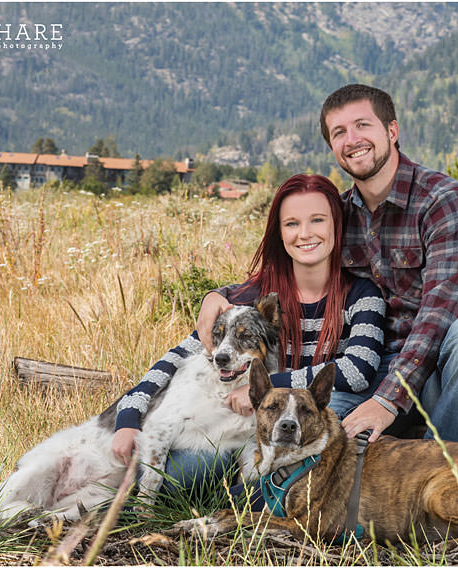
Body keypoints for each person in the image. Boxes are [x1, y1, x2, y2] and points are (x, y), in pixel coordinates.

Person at [199, 84, 458, 448]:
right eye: (339, 133)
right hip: (377, 370)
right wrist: (218, 295)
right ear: (333, 147)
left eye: (363, 125)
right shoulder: (339, 216)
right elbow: (290, 272)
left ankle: (445, 482)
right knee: (301, 427)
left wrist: (386, 402)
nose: (352, 140)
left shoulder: (443, 202)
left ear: (392, 131)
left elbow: (437, 319)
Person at [111, 174, 385, 492]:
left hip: (290, 426)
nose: (305, 234)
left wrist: (266, 387)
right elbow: (178, 357)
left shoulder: (361, 294)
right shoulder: (254, 296)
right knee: (185, 473)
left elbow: (357, 370)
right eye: (292, 224)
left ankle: (248, 491)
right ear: (279, 233)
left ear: (337, 225)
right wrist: (129, 416)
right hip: (227, 426)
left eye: (318, 220)